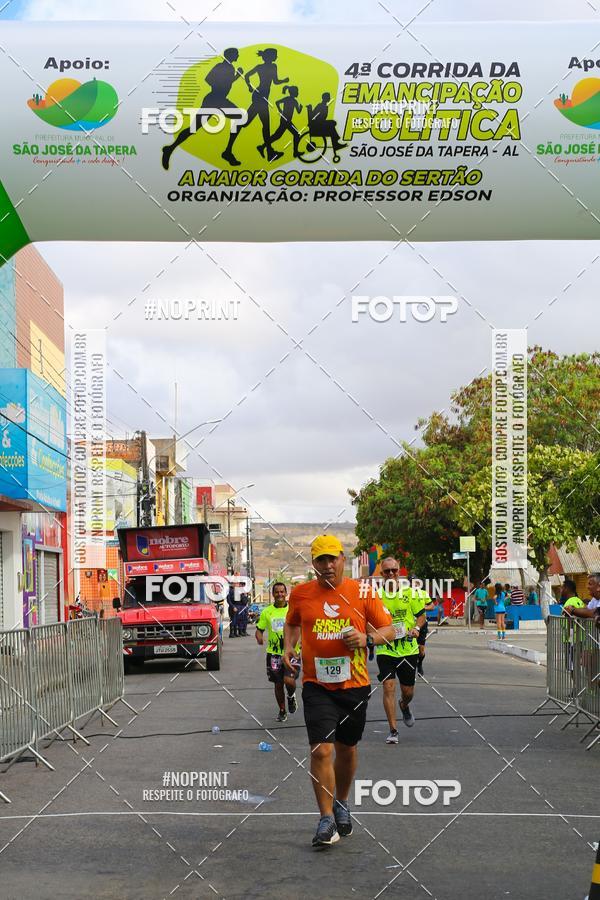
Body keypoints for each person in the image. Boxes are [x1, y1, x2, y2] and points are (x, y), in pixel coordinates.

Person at [282, 535, 394, 849]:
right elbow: (292, 623)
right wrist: (289, 647)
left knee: (346, 750)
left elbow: (389, 629)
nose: (327, 565)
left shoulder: (361, 592)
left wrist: (367, 639)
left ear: (342, 559)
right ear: (314, 564)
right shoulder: (301, 594)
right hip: (316, 685)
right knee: (321, 750)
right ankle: (325, 817)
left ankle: (342, 801)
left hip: (354, 686)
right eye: (321, 560)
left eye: (333, 559)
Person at [161, 47, 244, 171]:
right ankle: (227, 152)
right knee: (195, 128)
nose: (238, 55)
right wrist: (224, 83)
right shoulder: (221, 66)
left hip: (218, 99)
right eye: (236, 54)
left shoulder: (229, 67)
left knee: (239, 117)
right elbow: (208, 79)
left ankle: (171, 148)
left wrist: (236, 76)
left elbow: (226, 82)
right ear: (231, 55)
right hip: (215, 99)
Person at [376, 561, 427, 743]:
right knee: (388, 686)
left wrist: (417, 628)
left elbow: (421, 616)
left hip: (407, 649)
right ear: (381, 573)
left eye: (394, 570)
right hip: (386, 649)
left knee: (408, 692)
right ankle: (393, 730)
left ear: (399, 572)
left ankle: (404, 706)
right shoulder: (376, 596)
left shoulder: (410, 593)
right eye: (387, 571)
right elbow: (367, 619)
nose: (390, 573)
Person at [223, 47, 289, 165]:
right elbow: (275, 81)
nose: (276, 57)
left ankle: (268, 152)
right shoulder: (272, 67)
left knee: (252, 124)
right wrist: (283, 81)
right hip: (261, 98)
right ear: (270, 56)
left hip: (259, 96)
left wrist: (250, 86)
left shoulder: (263, 67)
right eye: (275, 55)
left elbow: (248, 76)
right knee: (263, 125)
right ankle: (269, 152)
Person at [255, 582, 300, 722]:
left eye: (282, 592)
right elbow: (259, 629)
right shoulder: (267, 612)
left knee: (289, 680)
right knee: (278, 684)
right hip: (274, 654)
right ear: (273, 594)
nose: (280, 594)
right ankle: (282, 710)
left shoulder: (293, 610)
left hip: (292, 652)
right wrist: (259, 637)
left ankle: (291, 697)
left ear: (286, 593)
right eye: (277, 592)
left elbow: (302, 627)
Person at [261, 85, 302, 157]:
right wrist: (300, 108)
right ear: (293, 92)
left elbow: (277, 102)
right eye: (297, 92)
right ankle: (295, 152)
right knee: (295, 134)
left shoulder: (290, 99)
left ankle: (262, 146)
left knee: (278, 135)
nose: (298, 93)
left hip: (286, 120)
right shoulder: (293, 101)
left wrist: (280, 110)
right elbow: (298, 111)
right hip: (286, 121)